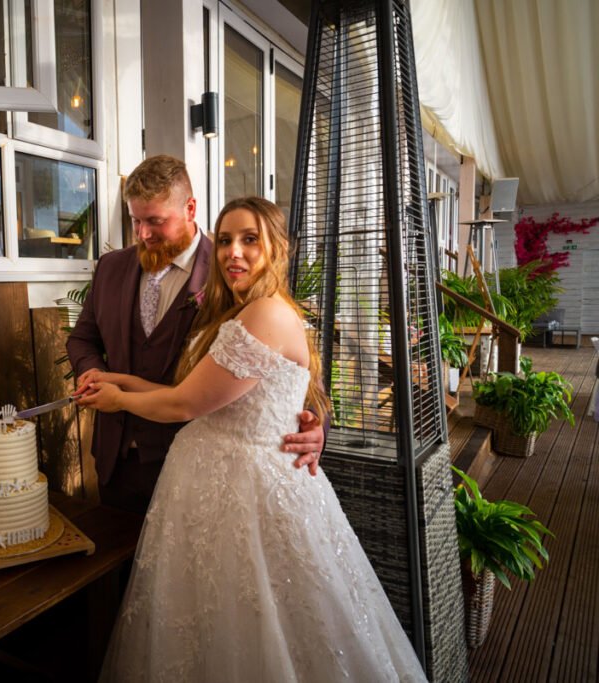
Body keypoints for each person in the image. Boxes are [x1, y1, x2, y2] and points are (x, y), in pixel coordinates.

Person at [77, 197, 427, 682]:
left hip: (248, 494)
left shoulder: (265, 313)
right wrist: (115, 380)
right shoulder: (236, 307)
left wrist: (119, 401)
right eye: (225, 241)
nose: (232, 253)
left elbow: (182, 406)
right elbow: (192, 392)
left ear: (277, 249)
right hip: (206, 485)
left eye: (249, 239)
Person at [65, 155, 325, 515]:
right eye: (136, 220)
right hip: (117, 458)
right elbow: (82, 338)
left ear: (190, 208)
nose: (143, 234)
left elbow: (290, 361)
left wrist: (314, 423)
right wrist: (92, 372)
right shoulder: (111, 268)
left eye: (155, 221)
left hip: (200, 468)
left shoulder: (236, 275)